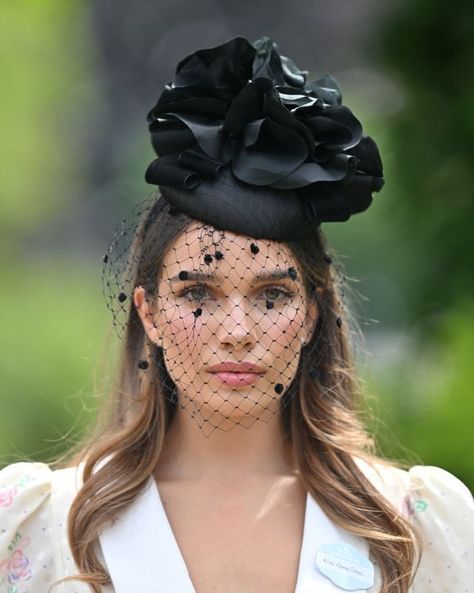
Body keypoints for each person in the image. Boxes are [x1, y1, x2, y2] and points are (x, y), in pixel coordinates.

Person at [0, 35, 472, 593]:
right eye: (198, 294)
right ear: (147, 314)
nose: (237, 333)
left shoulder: (410, 525)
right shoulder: (42, 525)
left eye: (272, 296)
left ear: (313, 315)